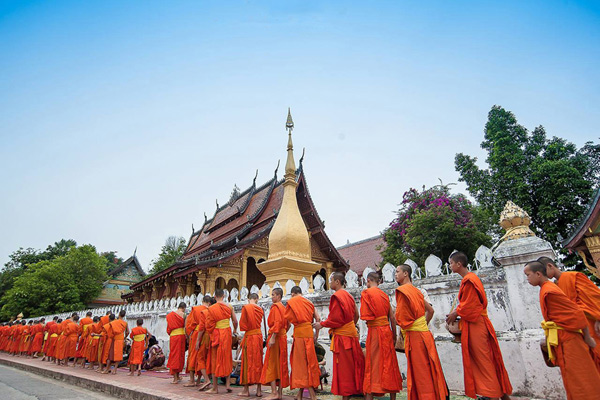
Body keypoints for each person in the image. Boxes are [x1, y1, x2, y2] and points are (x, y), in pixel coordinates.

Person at [524, 261, 600, 399]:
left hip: (571, 339)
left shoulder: (550, 290)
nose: (527, 279)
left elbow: (577, 313)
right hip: (564, 337)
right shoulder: (548, 289)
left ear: (539, 273)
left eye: (528, 275)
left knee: (581, 380)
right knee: (573, 379)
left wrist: (588, 336)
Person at [446, 252, 512, 400]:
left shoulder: (469, 280)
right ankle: (499, 393)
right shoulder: (469, 279)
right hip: (476, 323)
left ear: (459, 264)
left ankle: (492, 394)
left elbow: (471, 306)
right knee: (485, 359)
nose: (450, 266)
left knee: (483, 360)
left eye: (451, 263)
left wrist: (455, 313)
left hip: (476, 324)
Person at [395, 264, 448, 400]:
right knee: (429, 368)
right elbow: (430, 310)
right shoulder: (417, 291)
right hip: (425, 334)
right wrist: (421, 324)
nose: (395, 274)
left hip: (415, 337)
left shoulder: (402, 291)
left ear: (406, 273)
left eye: (397, 271)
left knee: (420, 373)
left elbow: (401, 319)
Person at [540, 256, 600, 370]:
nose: (544, 275)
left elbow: (595, 297)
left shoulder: (574, 277)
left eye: (544, 271)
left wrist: (598, 318)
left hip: (591, 323)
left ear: (550, 266)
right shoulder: (554, 286)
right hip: (575, 328)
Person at [313, 271, 364, 400]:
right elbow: (356, 315)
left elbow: (336, 319)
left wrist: (322, 324)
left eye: (331, 280)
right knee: (354, 364)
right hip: (351, 334)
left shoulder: (337, 296)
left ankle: (346, 395)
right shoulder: (349, 296)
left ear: (337, 281)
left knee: (344, 366)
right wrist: (350, 326)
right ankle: (357, 389)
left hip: (343, 338)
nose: (329, 283)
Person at [361, 271, 403, 400]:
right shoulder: (385, 295)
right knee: (390, 363)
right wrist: (394, 335)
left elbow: (366, 317)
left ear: (368, 281)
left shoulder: (366, 293)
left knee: (372, 364)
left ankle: (370, 396)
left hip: (375, 331)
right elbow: (392, 317)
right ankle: (392, 397)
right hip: (387, 331)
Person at [285, 286, 321, 400]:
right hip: (309, 333)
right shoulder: (309, 302)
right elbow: (318, 318)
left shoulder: (292, 302)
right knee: (309, 362)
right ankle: (299, 395)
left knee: (301, 365)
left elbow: (288, 321)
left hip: (300, 335)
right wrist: (316, 335)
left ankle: (312, 395)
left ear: (292, 294)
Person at [205, 288, 238, 394]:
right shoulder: (229, 306)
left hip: (217, 334)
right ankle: (228, 385)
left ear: (214, 297)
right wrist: (235, 330)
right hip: (227, 333)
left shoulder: (212, 308)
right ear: (224, 296)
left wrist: (211, 332)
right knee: (227, 357)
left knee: (215, 359)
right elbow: (235, 321)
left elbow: (209, 325)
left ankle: (215, 388)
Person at [260, 287, 290, 400]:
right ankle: (280, 393)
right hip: (282, 337)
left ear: (278, 296)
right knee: (281, 364)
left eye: (273, 295)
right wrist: (282, 333)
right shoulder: (284, 308)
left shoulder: (276, 307)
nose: (272, 297)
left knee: (271, 363)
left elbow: (277, 324)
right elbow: (288, 324)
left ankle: (274, 392)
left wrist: (273, 337)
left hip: (275, 337)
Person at [238, 292, 264, 397]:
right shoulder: (260, 309)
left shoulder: (246, 308)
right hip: (258, 337)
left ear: (249, 299)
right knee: (258, 362)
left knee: (246, 362)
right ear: (257, 299)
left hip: (249, 337)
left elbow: (243, 325)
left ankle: (246, 390)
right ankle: (258, 390)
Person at [184, 297, 208, 387]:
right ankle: (198, 380)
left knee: (193, 355)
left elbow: (188, 324)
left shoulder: (196, 309)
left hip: (196, 334)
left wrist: (188, 334)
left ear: (202, 301)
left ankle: (191, 380)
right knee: (202, 356)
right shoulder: (210, 310)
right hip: (206, 334)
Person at [195, 295, 216, 391]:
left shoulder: (205, 312)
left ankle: (207, 379)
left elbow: (201, 328)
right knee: (211, 358)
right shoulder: (216, 311)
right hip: (215, 336)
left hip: (206, 337)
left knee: (200, 358)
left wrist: (198, 341)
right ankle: (212, 381)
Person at [166, 302, 187, 383]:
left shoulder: (170, 315)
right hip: (181, 336)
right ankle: (177, 376)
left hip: (173, 337)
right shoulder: (184, 315)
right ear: (184, 308)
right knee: (180, 356)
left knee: (174, 355)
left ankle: (176, 377)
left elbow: (168, 329)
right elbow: (186, 327)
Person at [104, 310, 128, 374]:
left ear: (119, 314)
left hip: (114, 339)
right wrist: (125, 337)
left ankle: (107, 369)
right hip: (121, 339)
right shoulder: (125, 323)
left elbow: (108, 329)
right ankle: (115, 370)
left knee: (110, 355)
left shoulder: (114, 322)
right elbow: (127, 332)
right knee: (118, 355)